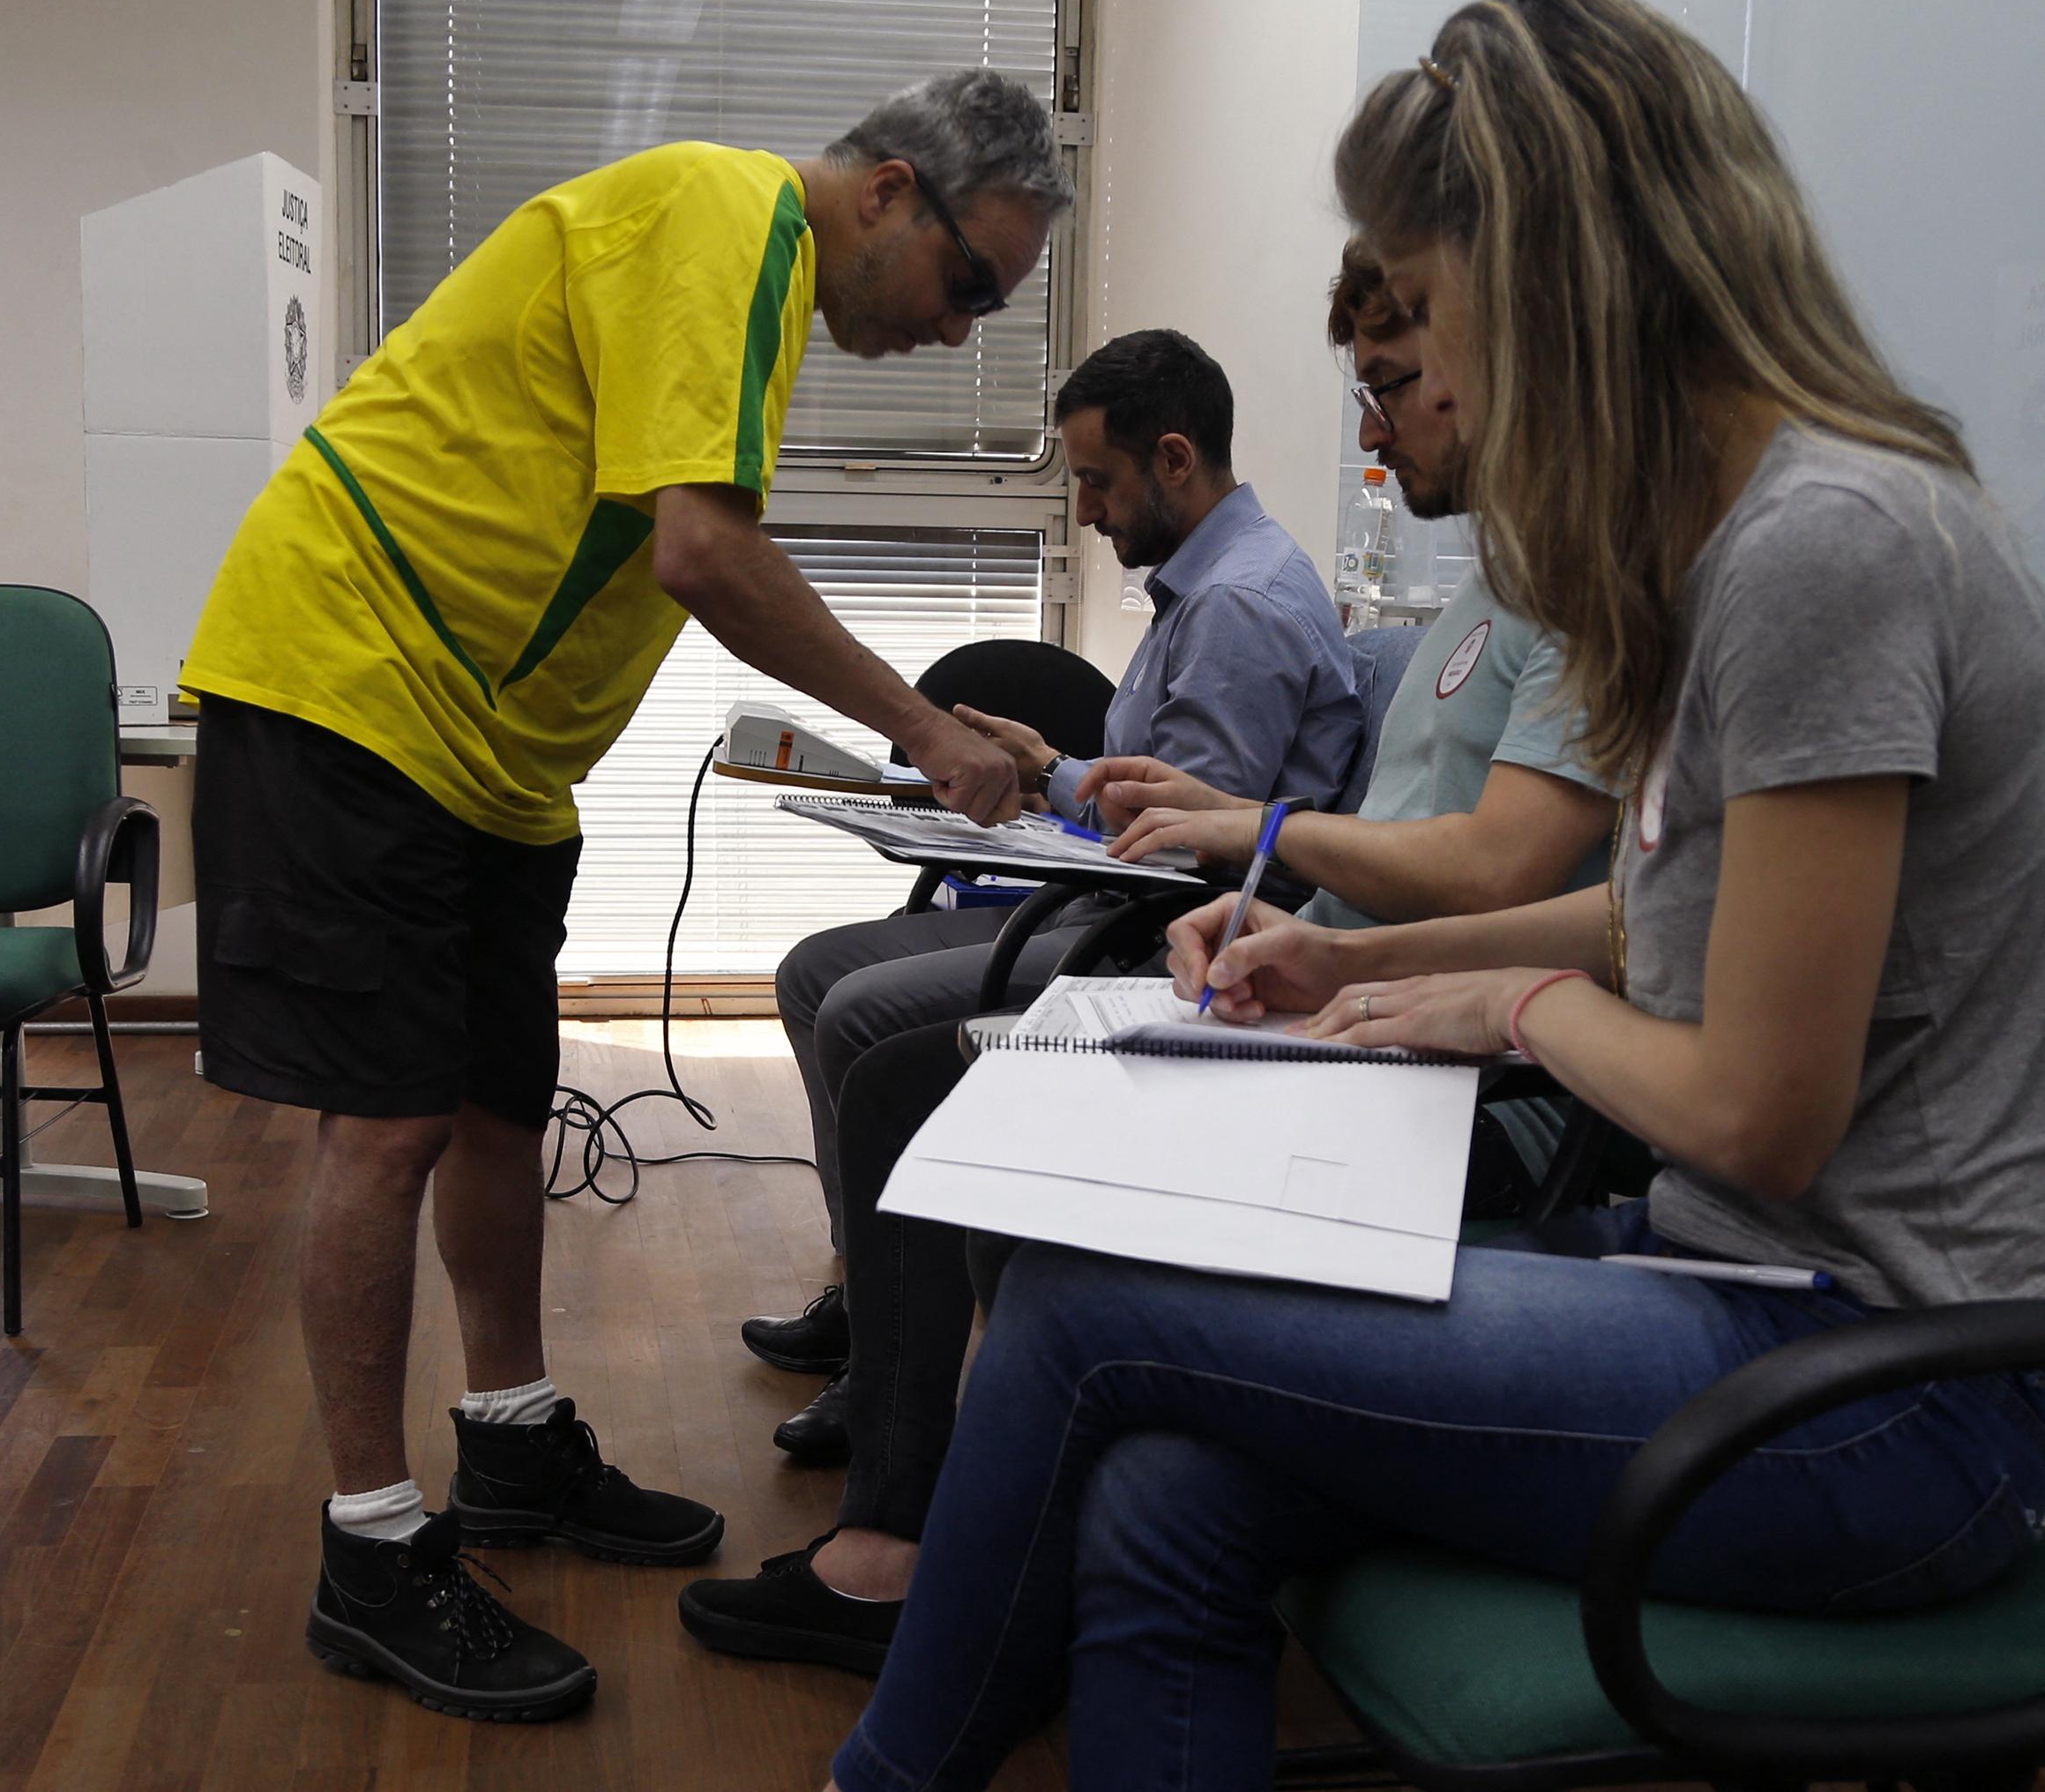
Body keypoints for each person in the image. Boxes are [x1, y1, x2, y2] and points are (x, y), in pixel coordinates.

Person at [827, 0, 2045, 1791]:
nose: (1425, 376)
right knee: (1170, 1491)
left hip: (1892, 1394)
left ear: (1560, 270)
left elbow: (1761, 1113)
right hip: (1755, 1294)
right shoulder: (1756, 535)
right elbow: (1667, 930)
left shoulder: (1824, 544)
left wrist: (1508, 1002)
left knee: (1085, 1304)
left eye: (1430, 307)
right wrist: (1347, 961)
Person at [178, 70, 1069, 1722]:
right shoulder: (729, 221)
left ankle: (509, 1443)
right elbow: (704, 554)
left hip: (489, 752)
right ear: (887, 192)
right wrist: (927, 727)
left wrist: (944, 728)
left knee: (503, 1101)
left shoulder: (760, 287)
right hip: (353, 683)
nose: (965, 334)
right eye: (970, 288)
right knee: (385, 1127)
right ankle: (372, 1549)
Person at [679, 237, 1619, 1674]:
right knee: (888, 1041)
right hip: (1323, 971)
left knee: (912, 1072)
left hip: (1384, 1026)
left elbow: (1301, 844)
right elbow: (1238, 820)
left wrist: (1273, 874)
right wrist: (1072, 779)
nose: (1366, 434)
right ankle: (912, 1429)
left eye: (1390, 389)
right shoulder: (1488, 592)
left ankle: (912, 1523)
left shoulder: (1535, 607)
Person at [743, 328, 1362, 1397]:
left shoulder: (1239, 606)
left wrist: (1053, 780)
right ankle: (876, 1298)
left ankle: (902, 1364)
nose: (1082, 509)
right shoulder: (1208, 584)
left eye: (1095, 481)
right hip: (1109, 901)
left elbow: (1178, 853)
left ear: (1175, 458)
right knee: (811, 973)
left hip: (1152, 941)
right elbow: (1168, 798)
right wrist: (1044, 776)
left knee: (855, 1011)